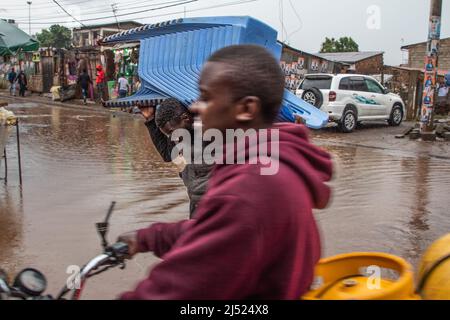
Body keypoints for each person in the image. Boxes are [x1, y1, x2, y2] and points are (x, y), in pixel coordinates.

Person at [118, 45, 333, 300]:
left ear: (246, 109)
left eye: (207, 98)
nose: (196, 107)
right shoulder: (272, 161)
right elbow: (213, 231)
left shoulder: (248, 191)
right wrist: (147, 237)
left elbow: (183, 283)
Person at [138, 99, 212, 218]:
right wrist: (150, 119)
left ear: (186, 118)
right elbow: (168, 154)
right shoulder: (179, 132)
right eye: (169, 135)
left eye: (172, 132)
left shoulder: (211, 130)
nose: (172, 138)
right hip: (197, 206)